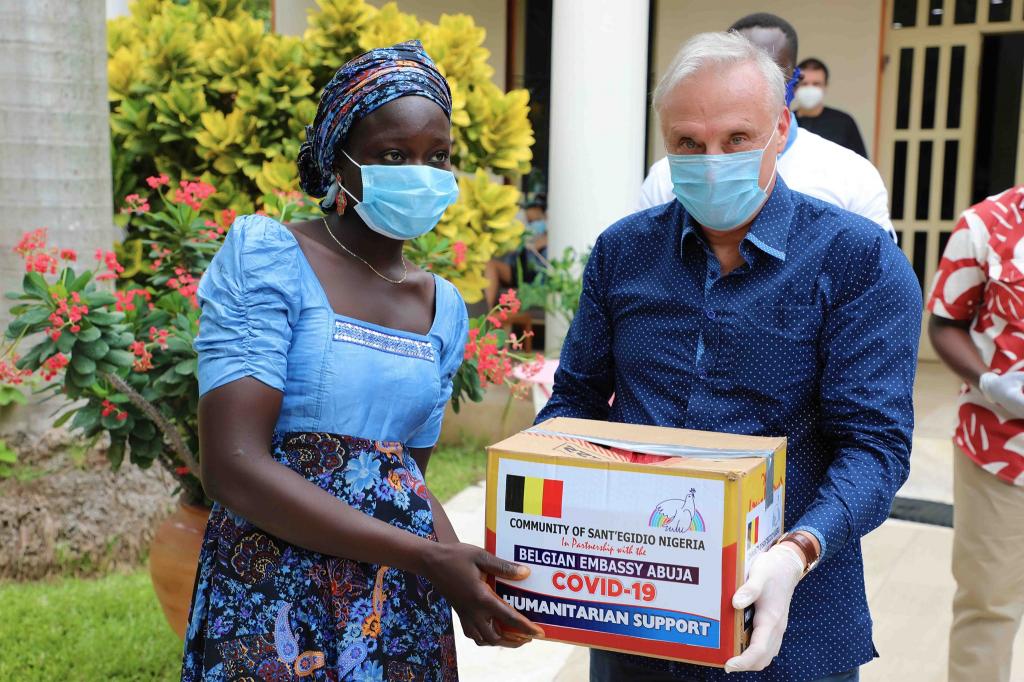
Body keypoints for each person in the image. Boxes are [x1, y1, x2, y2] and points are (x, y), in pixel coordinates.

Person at [538, 31, 921, 681]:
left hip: (791, 616)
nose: (711, 160)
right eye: (688, 143)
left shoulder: (856, 261)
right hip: (638, 611)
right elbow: (575, 400)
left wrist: (797, 550)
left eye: (736, 139)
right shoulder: (624, 253)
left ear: (780, 128)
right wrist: (547, 515)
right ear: (665, 141)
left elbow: (874, 448)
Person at [181, 41, 543, 681]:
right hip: (276, 597)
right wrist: (426, 559)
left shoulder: (443, 305)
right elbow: (233, 467)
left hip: (398, 603)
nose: (422, 174)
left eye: (438, 158)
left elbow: (403, 476)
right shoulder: (269, 259)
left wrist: (460, 568)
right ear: (338, 164)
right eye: (393, 156)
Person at [637, 13, 896, 242]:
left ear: (793, 80)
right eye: (740, 70)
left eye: (773, 72)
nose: (713, 167)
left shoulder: (851, 174)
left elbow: (874, 264)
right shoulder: (666, 177)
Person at [926, 185, 1024, 682]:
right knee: (989, 607)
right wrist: (989, 383)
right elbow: (945, 322)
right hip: (1002, 452)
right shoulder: (988, 223)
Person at [793, 57, 869, 158]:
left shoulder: (844, 122)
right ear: (795, 86)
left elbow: (861, 163)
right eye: (804, 84)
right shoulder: (785, 122)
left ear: (825, 86)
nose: (810, 88)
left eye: (816, 84)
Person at [484, 195, 548, 307]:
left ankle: (489, 313)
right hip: (519, 269)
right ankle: (490, 313)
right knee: (488, 265)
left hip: (536, 274)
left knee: (490, 265)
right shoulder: (527, 228)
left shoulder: (553, 229)